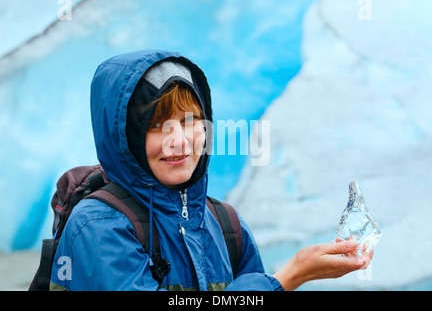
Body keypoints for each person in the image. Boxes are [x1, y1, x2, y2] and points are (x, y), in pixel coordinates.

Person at [50, 49, 373, 291]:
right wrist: (288, 277)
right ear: (123, 136)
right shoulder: (99, 226)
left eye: (190, 121)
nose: (179, 141)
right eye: (156, 126)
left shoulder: (225, 223)